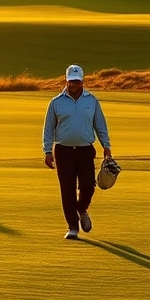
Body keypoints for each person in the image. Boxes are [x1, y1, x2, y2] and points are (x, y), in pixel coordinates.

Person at [42, 64, 112, 240]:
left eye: (77, 81)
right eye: (71, 81)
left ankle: (82, 208)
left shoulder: (92, 101)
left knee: (88, 186)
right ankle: (73, 227)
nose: (74, 84)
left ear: (82, 82)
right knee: (67, 190)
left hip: (86, 150)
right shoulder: (56, 102)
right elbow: (48, 128)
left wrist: (106, 146)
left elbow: (100, 125)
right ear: (66, 81)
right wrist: (47, 151)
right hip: (63, 151)